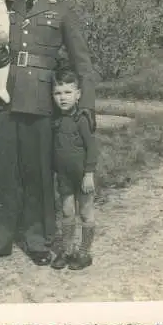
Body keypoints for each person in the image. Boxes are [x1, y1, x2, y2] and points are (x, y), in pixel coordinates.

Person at [0, 0, 96, 267]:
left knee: (38, 171)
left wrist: (87, 106)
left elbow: (82, 62)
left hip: (40, 100)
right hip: (3, 97)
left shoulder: (62, 8)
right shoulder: (4, 1)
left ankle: (37, 239)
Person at [50, 68, 98, 271]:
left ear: (78, 94)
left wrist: (89, 173)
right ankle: (67, 250)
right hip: (64, 176)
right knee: (67, 211)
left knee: (85, 212)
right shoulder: (56, 120)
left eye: (68, 92)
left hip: (82, 176)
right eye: (58, 93)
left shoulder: (82, 119)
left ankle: (84, 253)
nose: (63, 98)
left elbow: (92, 148)